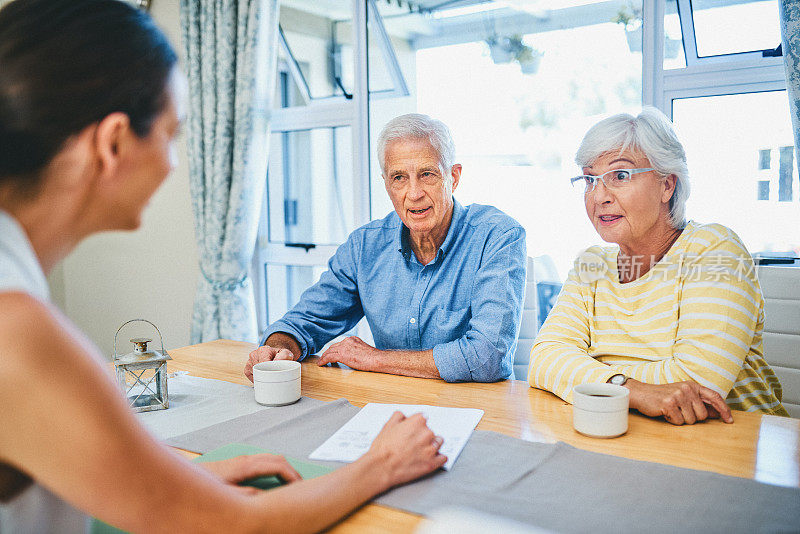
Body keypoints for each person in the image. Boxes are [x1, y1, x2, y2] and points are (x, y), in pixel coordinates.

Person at [0, 1, 447, 532]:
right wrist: (384, 463)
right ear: (114, 142)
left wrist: (188, 481)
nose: (173, 161)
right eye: (173, 133)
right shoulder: (18, 334)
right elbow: (235, 525)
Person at [528, 108, 788, 425]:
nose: (599, 196)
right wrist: (633, 389)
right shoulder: (592, 263)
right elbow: (544, 360)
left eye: (620, 176)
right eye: (589, 179)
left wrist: (584, 367)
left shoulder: (714, 250)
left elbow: (695, 388)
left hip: (730, 447)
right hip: (630, 437)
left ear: (667, 185)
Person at [245, 114, 527, 383]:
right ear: (386, 184)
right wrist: (277, 348)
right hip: (391, 404)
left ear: (453, 177)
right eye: (399, 178)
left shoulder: (499, 236)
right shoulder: (364, 246)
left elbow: (488, 357)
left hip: (479, 409)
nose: (414, 193)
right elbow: (306, 321)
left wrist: (375, 359)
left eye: (427, 174)